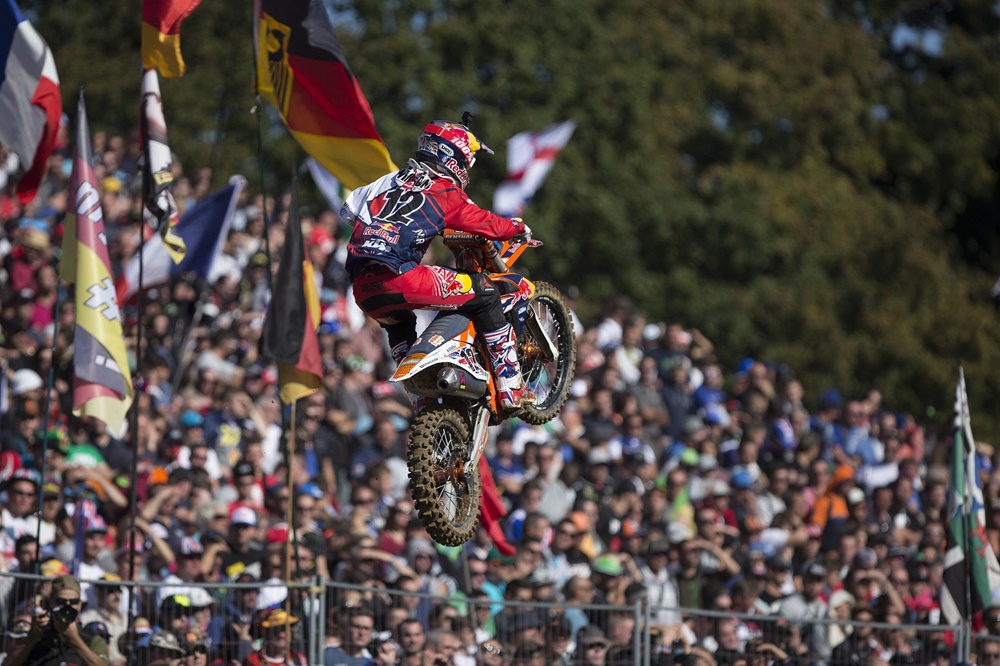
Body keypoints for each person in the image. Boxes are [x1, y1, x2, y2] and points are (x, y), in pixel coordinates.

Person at [343, 119, 534, 410]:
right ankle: (510, 384)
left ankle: (421, 400)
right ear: (454, 157)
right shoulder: (445, 191)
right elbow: (485, 222)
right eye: (466, 162)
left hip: (362, 288)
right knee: (484, 292)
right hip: (402, 277)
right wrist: (516, 227)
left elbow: (349, 211)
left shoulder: (385, 181)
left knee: (400, 322)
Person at [4, 573, 108, 666]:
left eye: (73, 602)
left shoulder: (92, 640)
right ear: (50, 604)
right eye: (61, 602)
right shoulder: (37, 636)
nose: (68, 607)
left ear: (80, 605)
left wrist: (75, 640)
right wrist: (32, 637)